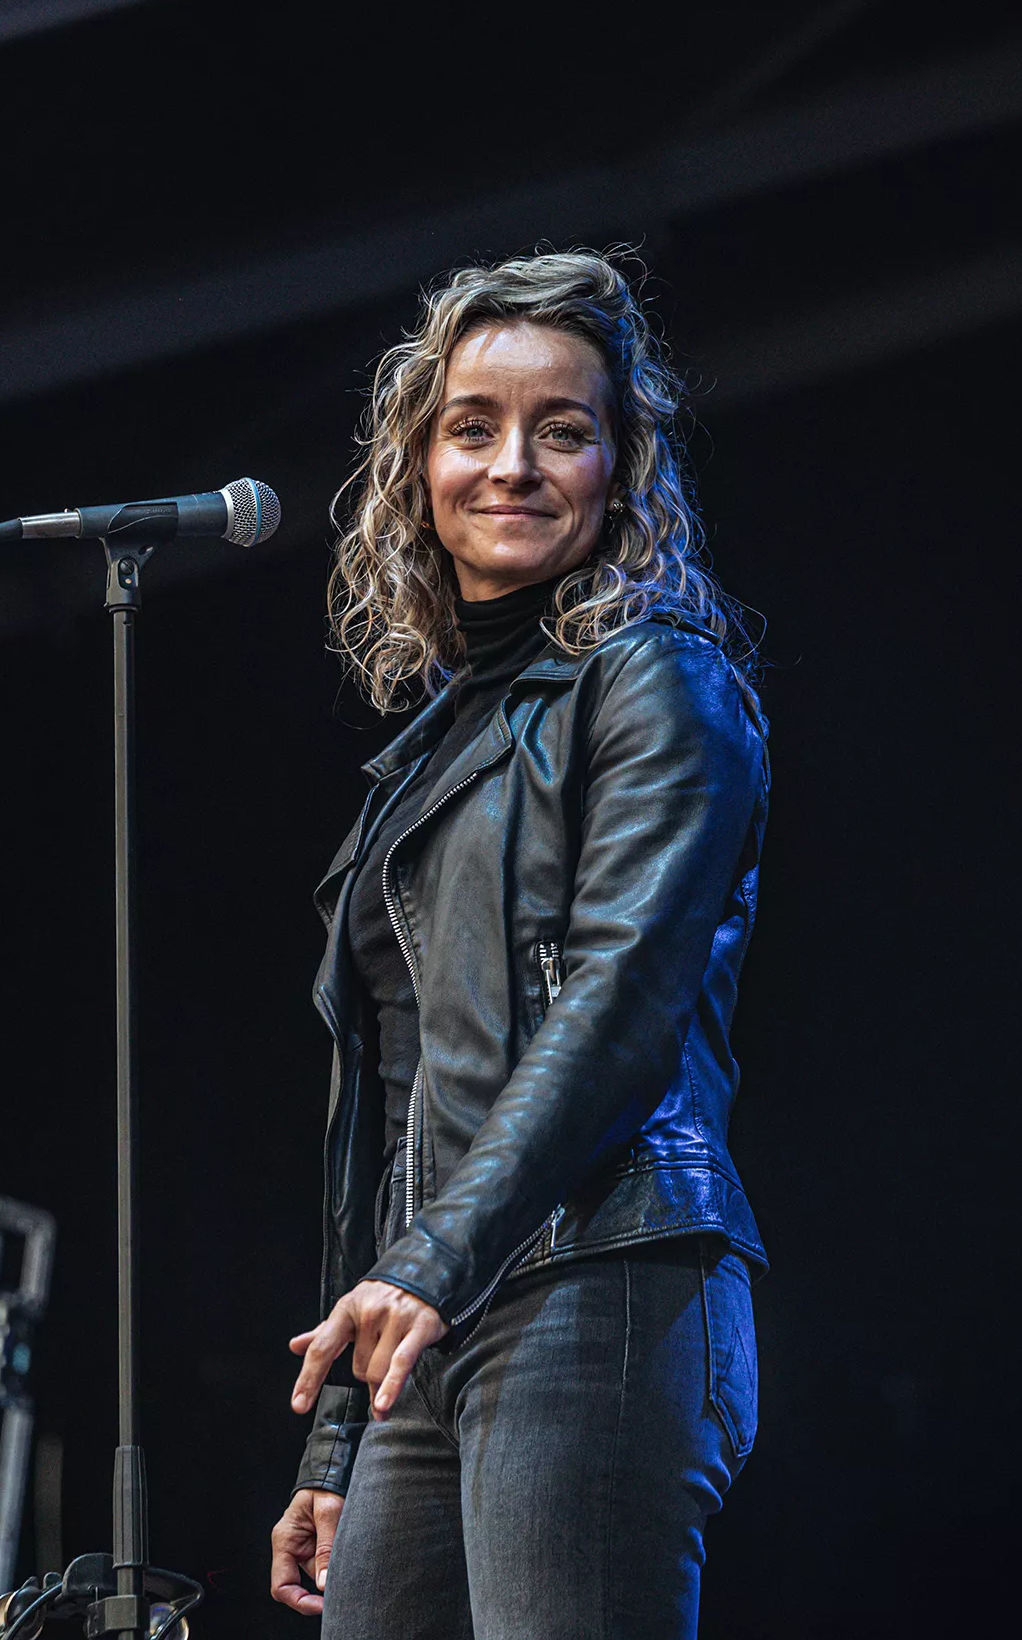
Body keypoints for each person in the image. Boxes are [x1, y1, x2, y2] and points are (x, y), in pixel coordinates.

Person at [269, 248, 769, 1639]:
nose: (511, 465)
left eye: (562, 430)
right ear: (418, 465)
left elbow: (619, 1006)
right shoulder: (437, 747)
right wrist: (339, 1439)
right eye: (473, 427)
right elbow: (398, 1101)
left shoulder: (658, 676)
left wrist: (433, 1262)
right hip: (440, 1317)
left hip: (599, 1275)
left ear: (621, 467)